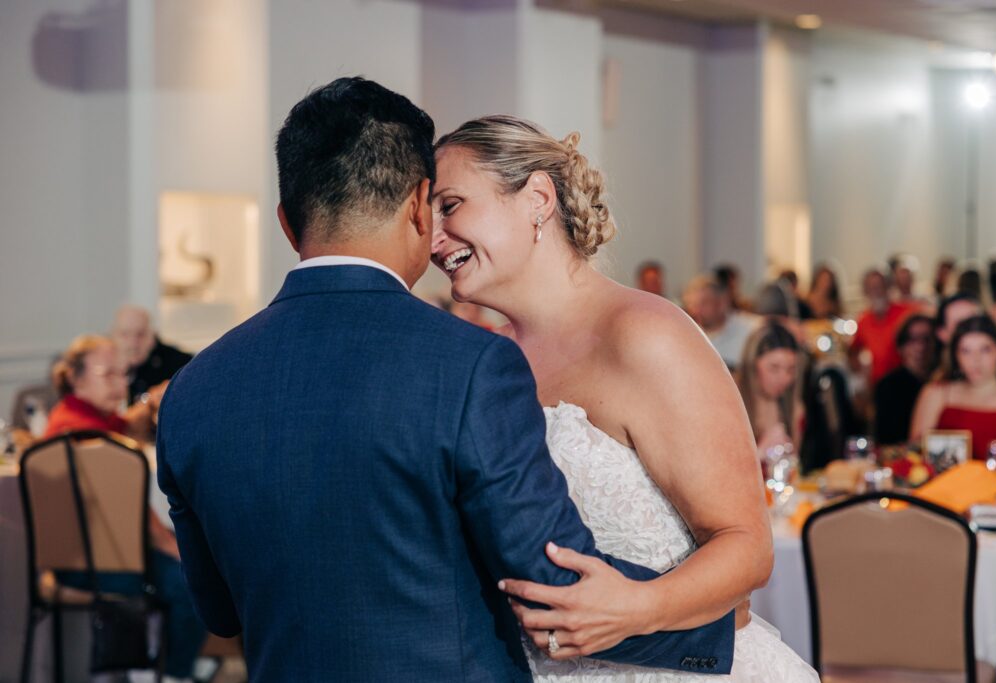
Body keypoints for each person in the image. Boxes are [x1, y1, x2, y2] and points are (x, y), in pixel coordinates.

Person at [157, 78, 739, 683]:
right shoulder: (469, 364)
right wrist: (715, 622)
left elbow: (219, 610)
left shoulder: (192, 390)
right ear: (416, 203)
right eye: (438, 207)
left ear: (285, 222)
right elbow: (549, 584)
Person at [432, 114, 816, 681]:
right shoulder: (485, 358)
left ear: (537, 197)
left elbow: (747, 547)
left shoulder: (645, 334)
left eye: (451, 205)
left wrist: (635, 608)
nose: (434, 238)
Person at [44, 334, 205, 682]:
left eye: (123, 374)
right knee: (192, 578)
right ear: (76, 377)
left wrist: (149, 402)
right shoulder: (84, 434)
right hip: (97, 561)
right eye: (108, 375)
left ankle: (175, 664)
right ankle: (175, 673)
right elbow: (134, 517)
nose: (120, 385)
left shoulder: (78, 417)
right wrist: (178, 549)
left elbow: (128, 425)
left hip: (97, 553)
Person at [910, 315, 996, 461]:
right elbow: (915, 454)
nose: (975, 360)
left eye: (985, 350)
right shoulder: (936, 393)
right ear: (955, 355)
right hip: (942, 483)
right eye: (966, 351)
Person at [734, 322, 805, 453]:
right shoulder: (732, 405)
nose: (784, 378)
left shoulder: (793, 408)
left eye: (791, 369)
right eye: (774, 368)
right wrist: (762, 450)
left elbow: (794, 463)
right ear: (752, 365)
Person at [874, 315, 938, 445]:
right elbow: (886, 440)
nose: (921, 347)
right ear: (901, 346)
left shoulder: (944, 383)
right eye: (913, 340)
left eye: (926, 339)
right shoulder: (888, 386)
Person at [111, 305, 193, 405]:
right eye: (125, 334)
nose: (133, 343)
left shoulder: (181, 366)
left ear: (152, 337)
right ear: (113, 337)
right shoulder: (105, 368)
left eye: (140, 334)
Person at [848, 268, 914, 386]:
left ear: (888, 288)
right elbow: (853, 350)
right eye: (872, 288)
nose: (877, 292)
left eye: (880, 286)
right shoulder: (863, 320)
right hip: (878, 384)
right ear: (865, 292)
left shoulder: (906, 313)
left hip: (906, 379)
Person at [683, 274, 758, 371]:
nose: (696, 311)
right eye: (692, 305)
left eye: (704, 303)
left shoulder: (748, 329)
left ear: (721, 303)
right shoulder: (686, 335)